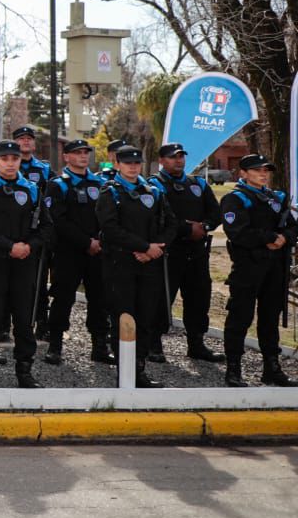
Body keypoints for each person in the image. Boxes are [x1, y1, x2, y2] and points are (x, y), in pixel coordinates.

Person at [0, 140, 54, 388]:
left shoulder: (32, 189)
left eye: (14, 159)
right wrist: (9, 246)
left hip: (24, 263)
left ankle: (24, 372)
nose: (9, 163)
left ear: (20, 160)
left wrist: (29, 246)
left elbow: (47, 227)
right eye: (4, 159)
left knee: (24, 320)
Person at [95, 145, 177, 388]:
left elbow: (171, 224)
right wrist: (142, 246)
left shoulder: (154, 191)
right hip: (121, 264)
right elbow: (109, 228)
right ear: (117, 165)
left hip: (149, 263)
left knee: (145, 317)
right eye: (127, 162)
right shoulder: (110, 192)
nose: (132, 166)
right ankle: (125, 372)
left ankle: (139, 369)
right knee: (123, 317)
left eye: (136, 162)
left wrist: (156, 249)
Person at [219, 154, 298, 387]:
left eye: (266, 170)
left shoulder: (277, 198)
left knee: (270, 318)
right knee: (240, 317)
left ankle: (271, 369)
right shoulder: (235, 199)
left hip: (275, 268)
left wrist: (284, 237)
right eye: (256, 170)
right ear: (243, 173)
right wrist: (270, 238)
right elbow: (238, 232)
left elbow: (294, 227)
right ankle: (233, 369)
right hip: (248, 267)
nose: (263, 174)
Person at [149, 142, 225, 363]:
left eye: (181, 156)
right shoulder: (155, 185)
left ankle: (196, 344)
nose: (179, 160)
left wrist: (205, 227)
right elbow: (157, 217)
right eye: (173, 157)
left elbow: (215, 213)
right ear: (162, 161)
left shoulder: (198, 184)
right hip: (169, 252)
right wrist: (186, 228)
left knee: (199, 298)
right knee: (162, 298)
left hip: (197, 252)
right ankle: (154, 343)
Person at [45, 139, 113, 365]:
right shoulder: (58, 185)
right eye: (77, 153)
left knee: (100, 299)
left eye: (86, 152)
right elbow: (59, 220)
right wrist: (86, 242)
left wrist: (100, 241)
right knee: (63, 299)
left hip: (97, 251)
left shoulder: (101, 183)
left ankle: (100, 346)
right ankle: (55, 345)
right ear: (66, 157)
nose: (83, 156)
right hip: (68, 253)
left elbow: (107, 216)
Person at [12, 125, 53, 336]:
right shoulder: (8, 167)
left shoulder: (44, 169)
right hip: (11, 231)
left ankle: (41, 322)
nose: (26, 142)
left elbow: (53, 195)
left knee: (38, 280)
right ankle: (5, 324)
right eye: (21, 138)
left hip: (35, 233)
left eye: (29, 138)